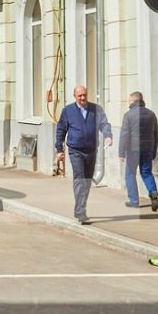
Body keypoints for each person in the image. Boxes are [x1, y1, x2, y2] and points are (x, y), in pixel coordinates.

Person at [54, 85, 113, 225]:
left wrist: (108, 136)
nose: (82, 98)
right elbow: (61, 129)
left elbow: (104, 123)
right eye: (79, 96)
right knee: (80, 179)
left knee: (87, 181)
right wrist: (59, 149)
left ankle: (80, 207)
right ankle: (81, 211)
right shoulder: (68, 111)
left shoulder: (95, 109)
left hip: (91, 150)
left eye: (84, 95)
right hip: (76, 150)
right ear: (74, 96)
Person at [119, 91, 158, 211]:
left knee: (130, 174)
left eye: (129, 101)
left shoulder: (128, 115)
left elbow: (124, 135)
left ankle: (134, 201)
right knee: (147, 172)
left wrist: (121, 152)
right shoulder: (151, 114)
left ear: (133, 101)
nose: (128, 103)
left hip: (132, 149)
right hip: (147, 148)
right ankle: (153, 192)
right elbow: (156, 134)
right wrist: (154, 151)